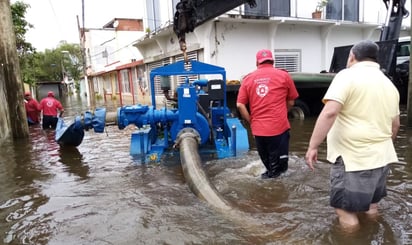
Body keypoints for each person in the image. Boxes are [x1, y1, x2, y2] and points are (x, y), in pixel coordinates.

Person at [304, 40, 400, 231]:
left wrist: (313, 146)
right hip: (382, 157)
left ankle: (354, 240)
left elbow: (330, 112)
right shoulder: (389, 84)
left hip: (353, 158)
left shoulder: (347, 76)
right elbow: (395, 125)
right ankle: (373, 234)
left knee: (345, 211)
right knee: (372, 206)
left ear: (352, 56)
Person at [237, 49, 299, 179]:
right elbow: (291, 102)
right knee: (281, 171)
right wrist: (282, 113)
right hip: (279, 128)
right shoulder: (284, 76)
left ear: (257, 62)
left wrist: (252, 121)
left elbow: (240, 105)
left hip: (259, 131)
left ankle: (267, 191)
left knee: (269, 168)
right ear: (273, 60)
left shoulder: (248, 79)